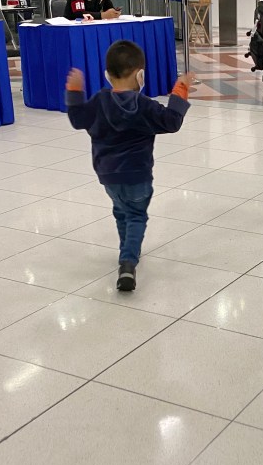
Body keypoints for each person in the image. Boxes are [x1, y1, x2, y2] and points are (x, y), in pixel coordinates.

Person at [65, 40, 191, 291]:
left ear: (107, 74)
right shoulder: (144, 105)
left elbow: (78, 119)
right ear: (140, 74)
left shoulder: (99, 101)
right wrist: (180, 91)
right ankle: (128, 263)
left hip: (107, 175)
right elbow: (172, 122)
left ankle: (127, 248)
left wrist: (75, 93)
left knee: (121, 211)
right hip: (138, 174)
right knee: (136, 215)